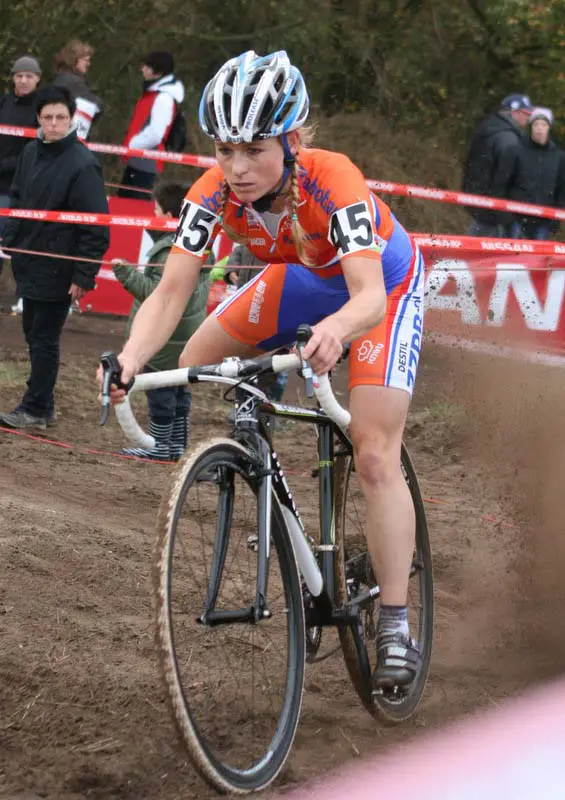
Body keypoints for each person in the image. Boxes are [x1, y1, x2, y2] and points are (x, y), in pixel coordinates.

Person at [100, 50, 425, 692]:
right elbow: (169, 295)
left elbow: (366, 299)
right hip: (300, 279)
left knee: (375, 453)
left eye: (253, 149)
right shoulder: (212, 191)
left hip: (380, 288)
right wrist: (131, 359)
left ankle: (394, 621)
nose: (238, 168)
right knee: (196, 361)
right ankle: (258, 465)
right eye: (225, 149)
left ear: (292, 140)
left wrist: (334, 331)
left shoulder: (334, 180)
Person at [0, 85, 109, 433]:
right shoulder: (31, 153)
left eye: (61, 117)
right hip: (29, 258)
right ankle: (43, 407)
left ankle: (34, 408)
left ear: (71, 119)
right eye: (48, 117)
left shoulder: (83, 163)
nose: (54, 123)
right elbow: (17, 199)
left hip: (59, 265)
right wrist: (11, 240)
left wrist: (83, 275)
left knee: (44, 337)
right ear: (38, 119)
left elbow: (96, 227)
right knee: (34, 332)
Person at [112, 179, 211, 460]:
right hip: (186, 337)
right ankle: (178, 446)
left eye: (156, 210)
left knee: (160, 396)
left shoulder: (169, 252)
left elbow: (156, 296)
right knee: (179, 393)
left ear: (168, 216)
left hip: (165, 341)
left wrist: (125, 273)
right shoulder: (200, 244)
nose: (153, 215)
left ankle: (159, 447)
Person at [462, 93, 533, 236]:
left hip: (481, 195)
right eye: (525, 113)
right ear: (513, 112)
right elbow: (506, 176)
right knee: (489, 247)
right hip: (496, 203)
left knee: (480, 237)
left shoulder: (492, 128)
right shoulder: (508, 139)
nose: (528, 117)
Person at [117, 51, 185, 199]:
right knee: (123, 204)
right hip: (137, 160)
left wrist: (132, 145)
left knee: (136, 210)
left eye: (147, 66)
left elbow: (155, 133)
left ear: (158, 71)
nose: (142, 69)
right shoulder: (152, 94)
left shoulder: (164, 97)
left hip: (146, 163)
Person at [491, 107, 565, 240]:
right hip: (515, 218)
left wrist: (556, 219)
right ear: (531, 127)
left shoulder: (559, 157)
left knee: (534, 259)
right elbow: (501, 182)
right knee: (511, 257)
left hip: (544, 220)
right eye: (536, 124)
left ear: (549, 128)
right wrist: (504, 214)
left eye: (543, 125)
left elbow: (561, 189)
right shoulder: (515, 150)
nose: (540, 129)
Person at [0, 56, 41, 240]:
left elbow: (34, 150)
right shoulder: (4, 102)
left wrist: (4, 165)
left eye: (29, 76)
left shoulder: (41, 109)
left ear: (37, 79)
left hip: (14, 186)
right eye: (19, 76)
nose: (23, 81)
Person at [52, 39, 103, 141]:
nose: (89, 64)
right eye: (86, 60)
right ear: (75, 59)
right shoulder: (73, 83)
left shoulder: (61, 78)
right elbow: (96, 105)